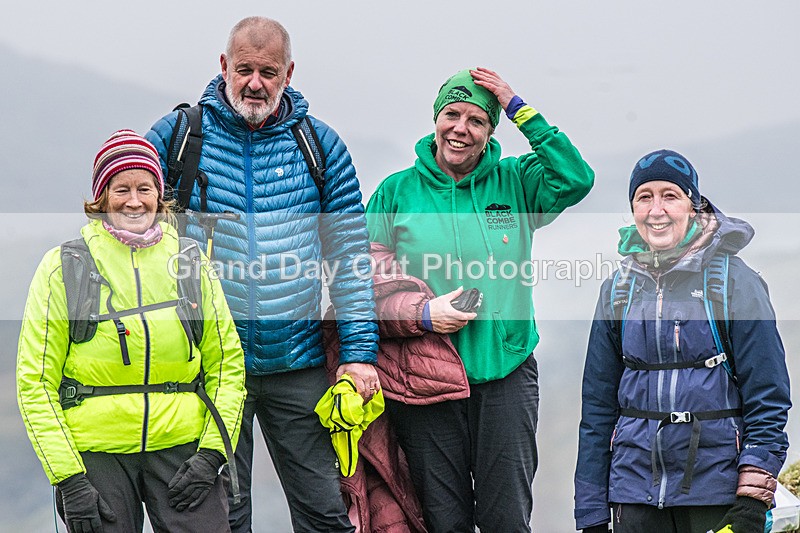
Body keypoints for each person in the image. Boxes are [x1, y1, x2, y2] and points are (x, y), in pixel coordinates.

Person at [146, 16, 379, 533]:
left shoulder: (320, 147)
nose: (255, 83)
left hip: (296, 360)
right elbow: (125, 216)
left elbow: (350, 256)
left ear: (289, 73)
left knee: (325, 512)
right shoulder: (180, 137)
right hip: (208, 366)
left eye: (268, 72)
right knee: (227, 517)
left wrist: (360, 354)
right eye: (245, 69)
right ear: (224, 66)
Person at [365, 67, 595, 532]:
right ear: (435, 118)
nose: (460, 129)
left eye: (477, 120)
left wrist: (518, 108)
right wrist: (424, 315)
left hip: (505, 374)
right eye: (452, 114)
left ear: (491, 131)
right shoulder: (396, 192)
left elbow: (576, 177)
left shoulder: (516, 183)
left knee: (506, 518)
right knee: (443, 522)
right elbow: (359, 283)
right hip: (423, 382)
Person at [16, 130, 247, 533]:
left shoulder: (189, 262)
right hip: (96, 457)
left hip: (182, 449)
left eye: (145, 187)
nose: (135, 200)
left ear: (161, 196)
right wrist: (69, 479)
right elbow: (35, 382)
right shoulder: (63, 267)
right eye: (121, 188)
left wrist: (211, 455)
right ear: (101, 198)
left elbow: (227, 366)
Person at [574, 149, 791, 533]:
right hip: (633, 495)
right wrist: (591, 513)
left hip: (716, 495)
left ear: (693, 205)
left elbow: (768, 398)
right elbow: (597, 410)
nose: (656, 209)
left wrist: (751, 503)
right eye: (644, 197)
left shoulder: (734, 283)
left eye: (670, 195)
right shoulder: (617, 291)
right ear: (633, 209)